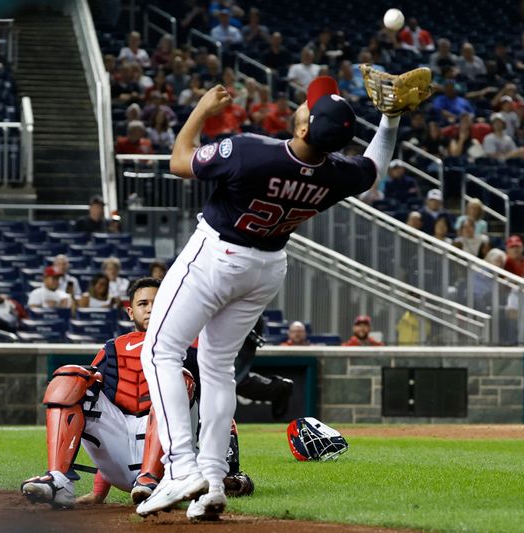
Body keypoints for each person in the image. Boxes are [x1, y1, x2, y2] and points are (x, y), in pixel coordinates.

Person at [136, 71, 428, 520]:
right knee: (217, 367)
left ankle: (180, 468)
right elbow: (374, 167)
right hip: (267, 266)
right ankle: (213, 482)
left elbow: (179, 161)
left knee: (159, 351)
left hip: (218, 254)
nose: (304, 105)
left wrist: (200, 111)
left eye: (309, 108)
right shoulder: (336, 174)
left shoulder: (251, 150)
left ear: (305, 127)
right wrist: (389, 120)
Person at [21, 278, 197, 508]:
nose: (151, 308)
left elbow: (216, 412)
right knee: (71, 379)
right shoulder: (113, 348)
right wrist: (98, 493)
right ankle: (59, 481)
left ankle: (153, 478)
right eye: (143, 303)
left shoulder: (188, 348)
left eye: (158, 302)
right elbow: (109, 419)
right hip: (121, 463)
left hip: (174, 463)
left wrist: (229, 471)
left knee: (179, 380)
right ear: (130, 312)